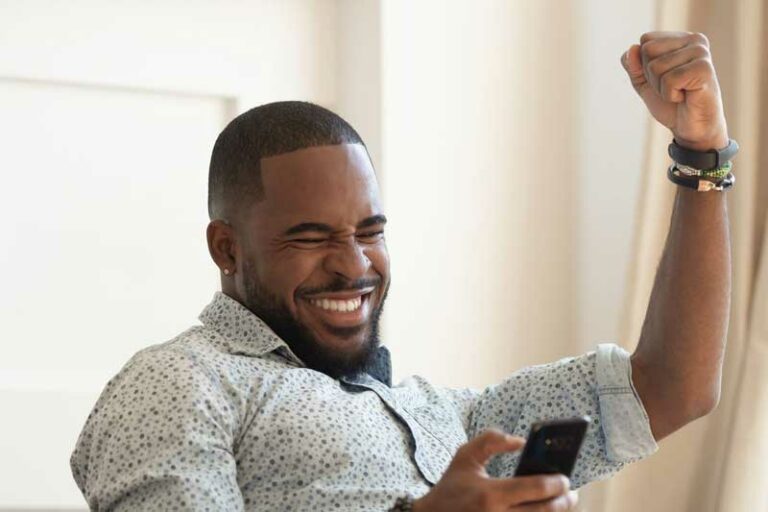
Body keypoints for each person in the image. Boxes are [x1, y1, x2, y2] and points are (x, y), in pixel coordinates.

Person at [71, 31, 734, 511]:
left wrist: (701, 158)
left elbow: (673, 387)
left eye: (371, 232)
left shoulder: (451, 420)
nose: (354, 265)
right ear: (227, 250)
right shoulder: (180, 383)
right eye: (311, 237)